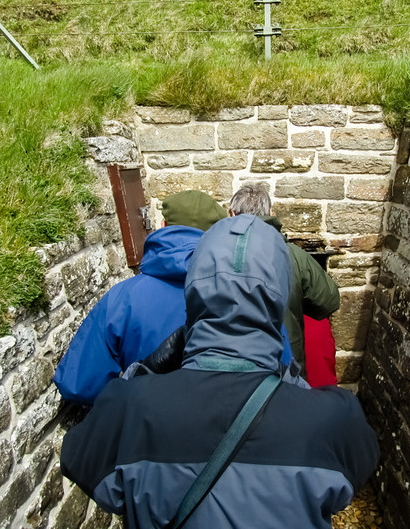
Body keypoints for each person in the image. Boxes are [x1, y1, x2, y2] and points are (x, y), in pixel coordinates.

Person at [60, 214, 380, 528]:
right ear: (281, 293)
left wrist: (144, 372)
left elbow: (79, 459)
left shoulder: (127, 409)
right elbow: (350, 480)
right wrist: (290, 377)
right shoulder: (334, 419)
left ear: (194, 288)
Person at [52, 189, 226, 406]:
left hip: (144, 425)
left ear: (162, 225)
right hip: (221, 428)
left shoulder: (123, 297)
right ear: (217, 234)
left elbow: (78, 385)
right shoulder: (242, 293)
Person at [228, 183, 340, 381]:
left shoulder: (214, 253)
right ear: (271, 213)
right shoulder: (294, 256)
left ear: (231, 214)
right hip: (285, 368)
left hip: (232, 368)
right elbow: (328, 301)